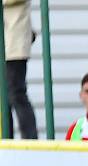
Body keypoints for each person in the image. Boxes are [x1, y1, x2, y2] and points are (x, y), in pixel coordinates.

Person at [2, 0, 37, 138]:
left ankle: (30, 139)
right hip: (7, 42)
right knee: (4, 99)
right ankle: (5, 138)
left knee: (16, 93)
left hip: (14, 44)